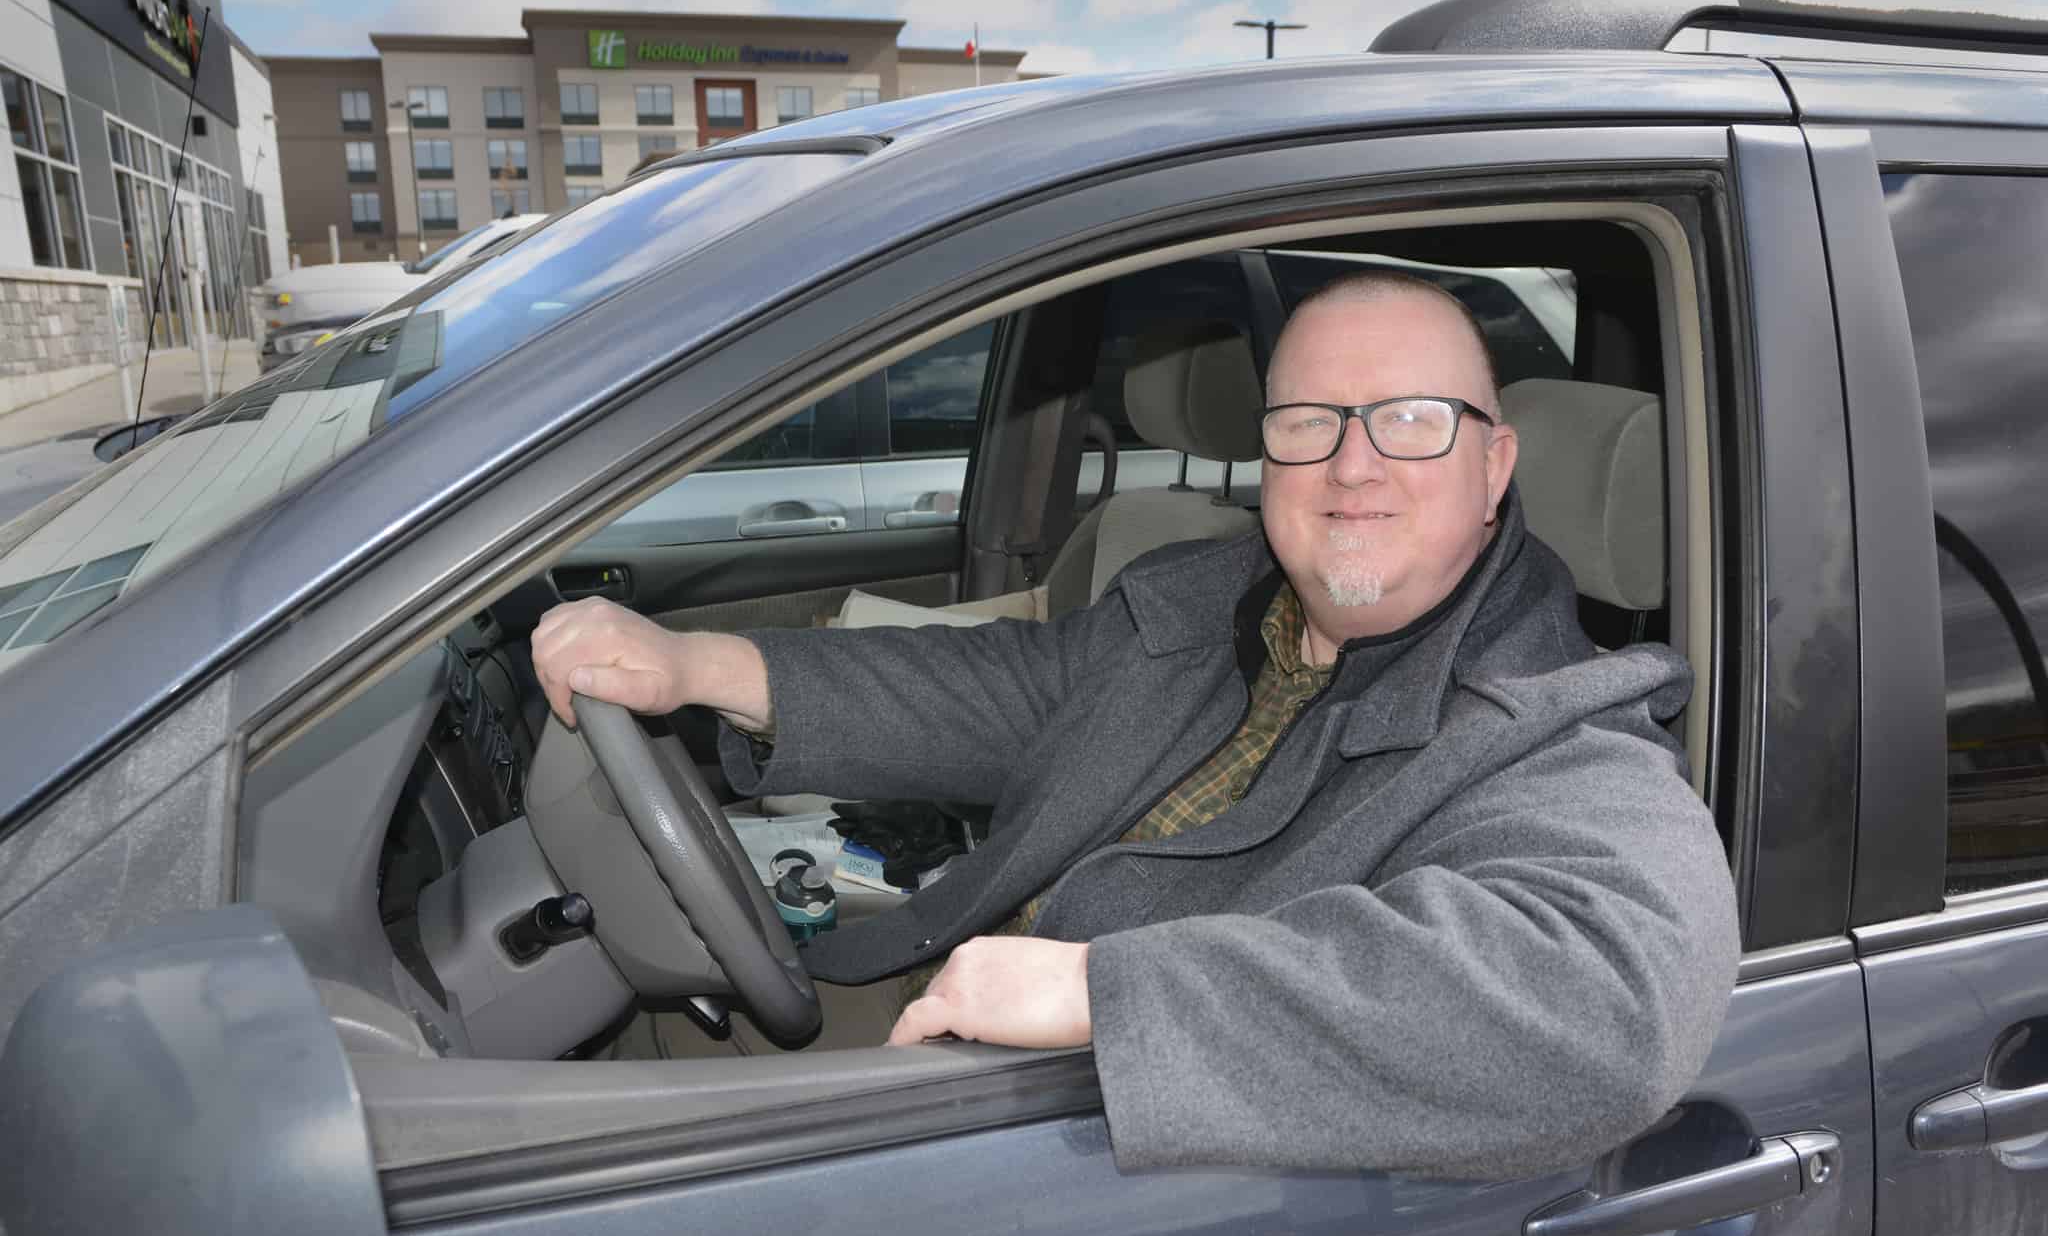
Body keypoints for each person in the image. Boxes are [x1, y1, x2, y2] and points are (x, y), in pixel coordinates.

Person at [530, 272, 1740, 1179]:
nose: (1349, 464)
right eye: (1307, 419)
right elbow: (998, 689)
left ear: (1494, 466)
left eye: (1410, 420)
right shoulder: (1212, 606)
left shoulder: (1551, 721)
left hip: (1095, 1146)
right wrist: (696, 662)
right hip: (940, 1011)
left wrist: (1106, 993)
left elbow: (1608, 1004)